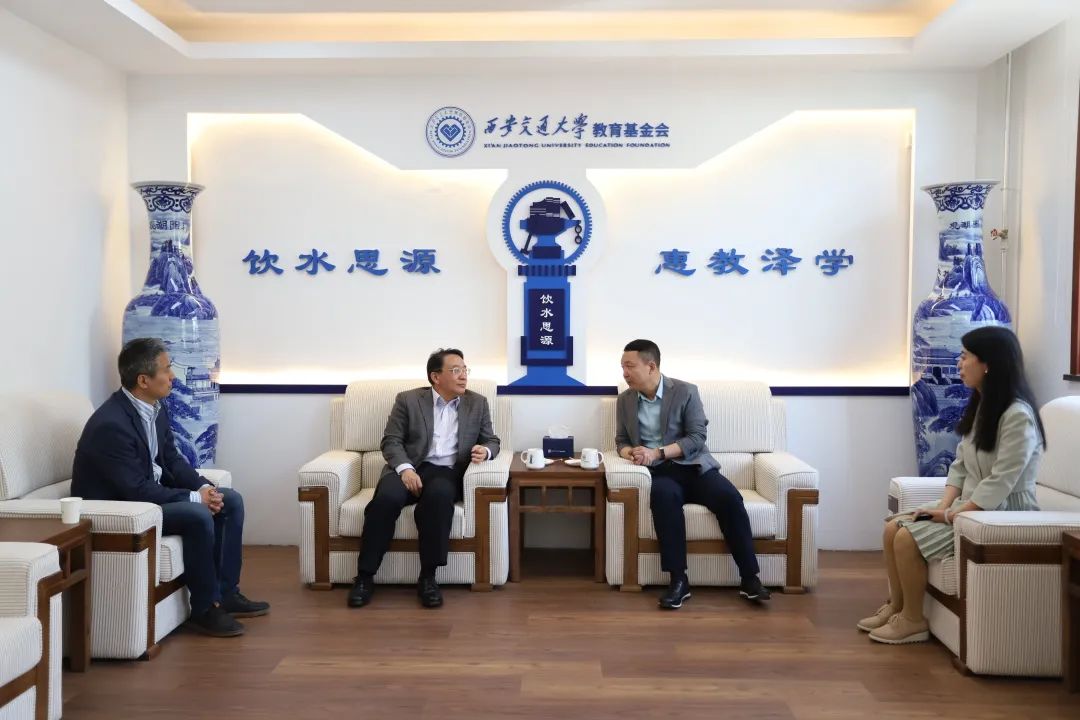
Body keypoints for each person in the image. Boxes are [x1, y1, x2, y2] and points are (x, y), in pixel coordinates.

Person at [859, 326, 1045, 644]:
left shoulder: (1017, 416)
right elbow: (959, 466)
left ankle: (913, 621)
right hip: (970, 507)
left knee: (906, 539)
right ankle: (897, 608)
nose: (959, 363)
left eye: (965, 356)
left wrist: (950, 515)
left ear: (988, 364)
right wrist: (943, 507)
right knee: (892, 528)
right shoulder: (982, 406)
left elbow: (1002, 480)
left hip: (1002, 512)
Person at [72, 338, 269, 638]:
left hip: (146, 496)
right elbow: (136, 491)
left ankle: (227, 593)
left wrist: (204, 488)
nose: (173, 376)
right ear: (143, 380)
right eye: (166, 369)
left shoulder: (154, 408)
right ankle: (204, 608)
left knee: (231, 500)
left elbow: (172, 460)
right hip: (122, 509)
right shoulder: (111, 425)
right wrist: (194, 499)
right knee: (197, 515)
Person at [616, 339, 770, 609]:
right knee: (664, 499)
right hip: (660, 473)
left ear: (651, 366)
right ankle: (678, 581)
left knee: (730, 498)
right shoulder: (625, 400)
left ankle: (750, 578)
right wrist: (633, 453)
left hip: (695, 467)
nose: (625, 373)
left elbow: (696, 437)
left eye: (630, 366)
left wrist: (657, 452)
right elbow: (621, 440)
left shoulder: (686, 391)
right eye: (622, 367)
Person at [347, 348, 500, 609]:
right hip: (410, 466)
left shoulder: (477, 403)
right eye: (456, 370)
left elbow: (492, 440)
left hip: (446, 471)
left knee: (438, 499)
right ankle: (364, 577)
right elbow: (391, 441)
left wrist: (485, 451)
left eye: (465, 370)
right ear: (435, 377)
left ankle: (428, 577)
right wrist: (405, 469)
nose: (463, 375)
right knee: (385, 501)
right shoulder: (408, 400)